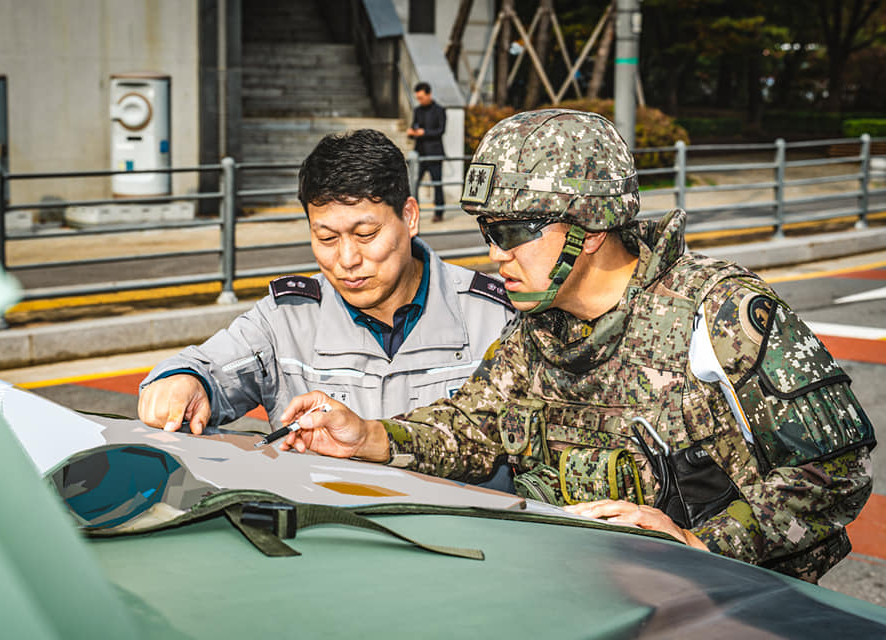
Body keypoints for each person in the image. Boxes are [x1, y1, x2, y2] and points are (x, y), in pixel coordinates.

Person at [278, 110, 876, 583]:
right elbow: (471, 428)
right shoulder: (538, 330)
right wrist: (370, 437)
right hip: (581, 596)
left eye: (513, 232)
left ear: (587, 230)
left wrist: (704, 544)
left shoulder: (719, 315)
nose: (495, 253)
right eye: (489, 231)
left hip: (730, 605)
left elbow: (836, 472)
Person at [137, 129, 515, 452]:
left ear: (410, 217)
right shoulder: (286, 319)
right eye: (326, 237)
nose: (347, 259)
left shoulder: (495, 316)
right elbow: (205, 368)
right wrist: (183, 383)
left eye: (366, 234)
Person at [406, 82, 446, 223]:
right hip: (420, 154)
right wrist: (411, 132)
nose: (420, 100)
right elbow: (414, 127)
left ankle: (439, 212)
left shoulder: (439, 110)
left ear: (429, 94)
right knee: (413, 184)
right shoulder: (417, 111)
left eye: (422, 97)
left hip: (434, 153)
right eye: (418, 98)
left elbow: (441, 130)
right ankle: (411, 212)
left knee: (437, 184)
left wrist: (424, 133)